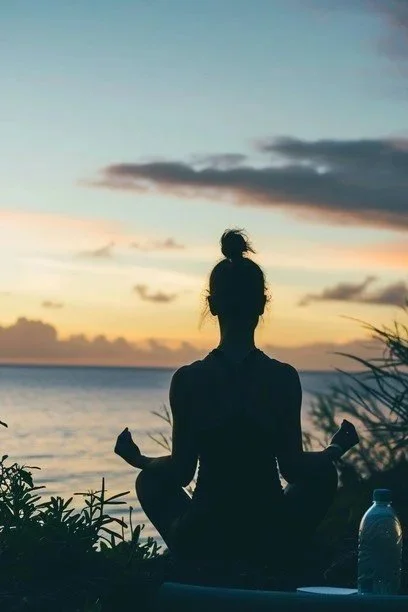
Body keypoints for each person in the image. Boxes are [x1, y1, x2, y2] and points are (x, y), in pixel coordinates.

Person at [114, 229, 359, 565]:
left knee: (148, 481)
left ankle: (189, 562)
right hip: (271, 532)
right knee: (324, 473)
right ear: (262, 304)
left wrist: (139, 460)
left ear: (212, 306)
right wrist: (335, 449)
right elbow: (293, 467)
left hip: (204, 535)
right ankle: (283, 558)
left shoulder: (188, 380)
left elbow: (181, 472)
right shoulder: (282, 378)